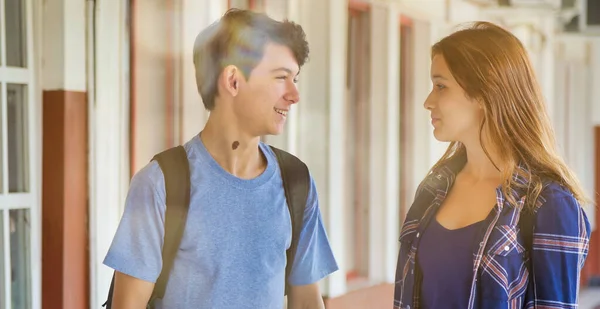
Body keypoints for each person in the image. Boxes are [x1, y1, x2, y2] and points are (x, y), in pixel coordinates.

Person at [104, 9, 338, 309]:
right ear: (233, 80)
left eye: (295, 79)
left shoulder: (296, 182)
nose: (294, 95)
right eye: (281, 77)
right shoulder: (160, 184)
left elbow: (307, 303)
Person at [393, 21, 591, 309]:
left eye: (440, 86)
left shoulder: (548, 204)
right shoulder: (432, 189)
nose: (428, 101)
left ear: (485, 92)